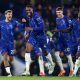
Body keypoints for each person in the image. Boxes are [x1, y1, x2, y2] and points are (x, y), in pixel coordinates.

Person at [22, 4, 55, 76]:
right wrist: (27, 33)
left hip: (41, 37)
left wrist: (31, 29)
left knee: (44, 51)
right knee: (27, 49)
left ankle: (52, 64)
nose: (28, 11)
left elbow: (42, 27)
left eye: (29, 10)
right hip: (33, 36)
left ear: (32, 9)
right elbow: (27, 27)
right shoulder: (28, 17)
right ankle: (27, 71)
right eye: (27, 10)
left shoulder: (37, 16)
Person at [0, 10, 23, 77]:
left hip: (11, 43)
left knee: (11, 59)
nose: (10, 15)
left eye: (11, 14)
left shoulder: (14, 22)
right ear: (5, 15)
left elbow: (21, 27)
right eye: (8, 14)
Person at [52, 7, 74, 76]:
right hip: (60, 39)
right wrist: (53, 36)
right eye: (57, 12)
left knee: (68, 55)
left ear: (62, 12)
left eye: (59, 12)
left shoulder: (67, 18)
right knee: (56, 54)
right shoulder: (57, 19)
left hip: (66, 39)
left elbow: (70, 29)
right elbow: (58, 29)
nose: (58, 14)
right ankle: (62, 70)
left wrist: (59, 31)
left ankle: (71, 70)